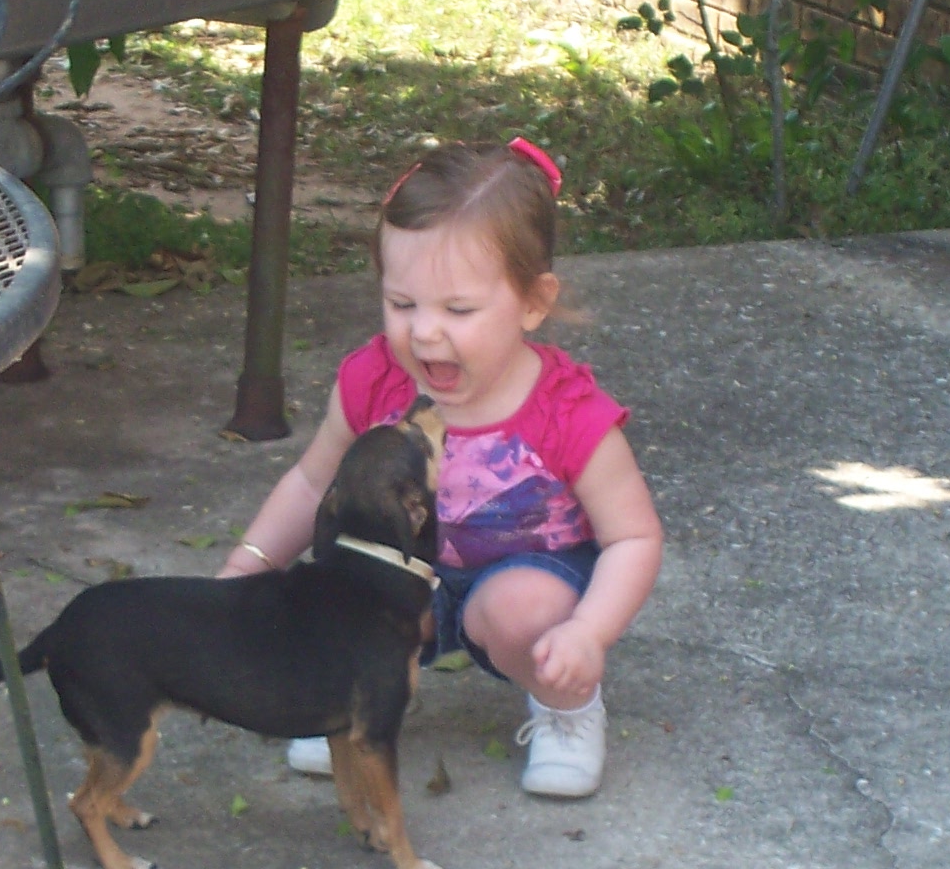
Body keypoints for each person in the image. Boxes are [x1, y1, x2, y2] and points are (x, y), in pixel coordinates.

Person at [219, 139, 662, 798]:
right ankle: (353, 698)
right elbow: (313, 483)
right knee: (336, 581)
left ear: (533, 302)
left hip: (528, 582)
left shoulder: (568, 413)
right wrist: (245, 568)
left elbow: (634, 537)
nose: (425, 332)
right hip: (403, 574)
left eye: (458, 310)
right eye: (402, 303)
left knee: (518, 608)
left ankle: (567, 709)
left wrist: (587, 633)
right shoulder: (374, 380)